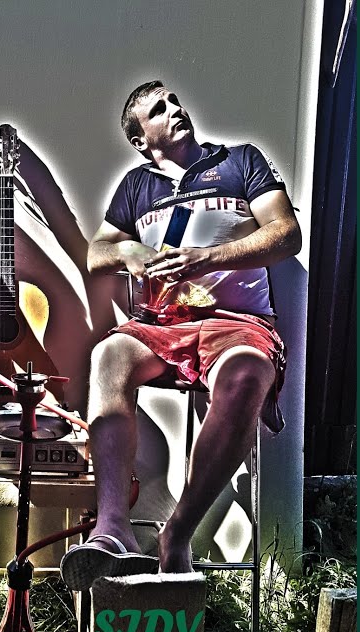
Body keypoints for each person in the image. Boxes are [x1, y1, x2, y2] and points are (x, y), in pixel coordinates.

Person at [60, 80, 301, 589]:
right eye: (158, 109)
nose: (175, 109)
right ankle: (112, 529)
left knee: (247, 374)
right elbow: (96, 253)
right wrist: (129, 252)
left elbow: (286, 234)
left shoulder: (239, 160)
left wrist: (207, 258)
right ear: (140, 138)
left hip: (238, 323)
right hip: (163, 324)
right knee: (108, 355)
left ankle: (177, 533)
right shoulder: (136, 185)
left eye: (174, 101)